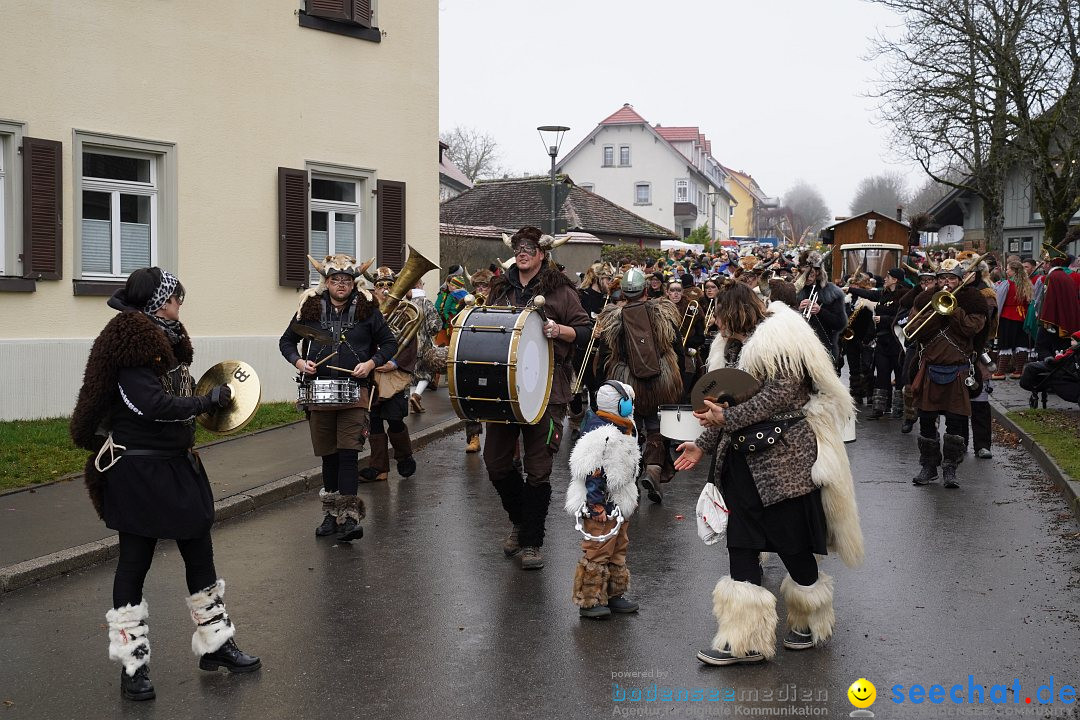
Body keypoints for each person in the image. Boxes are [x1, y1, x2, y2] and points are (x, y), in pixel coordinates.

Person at [71, 267, 260, 702]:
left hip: (176, 466)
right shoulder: (129, 342)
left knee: (200, 552)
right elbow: (150, 404)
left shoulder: (165, 338)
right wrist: (205, 402)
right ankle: (132, 665)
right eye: (176, 298)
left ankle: (216, 645)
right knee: (134, 563)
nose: (180, 305)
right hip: (137, 472)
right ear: (158, 302)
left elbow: (174, 391)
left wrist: (207, 404)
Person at [673, 282, 863, 666]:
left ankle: (811, 619)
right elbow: (723, 404)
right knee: (741, 545)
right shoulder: (728, 349)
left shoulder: (782, 337)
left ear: (735, 310)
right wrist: (703, 443)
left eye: (719, 311)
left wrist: (727, 416)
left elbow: (780, 394)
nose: (715, 319)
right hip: (741, 463)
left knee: (791, 544)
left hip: (785, 461)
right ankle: (745, 641)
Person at [484, 226, 591, 570]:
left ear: (542, 253)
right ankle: (521, 520)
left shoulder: (559, 289)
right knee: (496, 463)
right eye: (518, 247)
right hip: (505, 390)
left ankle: (531, 541)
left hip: (548, 389)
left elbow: (587, 331)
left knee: (538, 468)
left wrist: (559, 330)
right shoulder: (500, 287)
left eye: (530, 247)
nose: (523, 252)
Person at [279, 254, 397, 540]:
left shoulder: (367, 309)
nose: (341, 285)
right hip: (318, 391)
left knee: (348, 453)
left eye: (346, 280)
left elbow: (389, 342)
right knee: (329, 456)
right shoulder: (310, 306)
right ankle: (330, 516)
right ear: (327, 282)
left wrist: (370, 363)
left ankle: (350, 519)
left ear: (353, 283)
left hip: (354, 392)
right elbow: (286, 341)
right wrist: (299, 362)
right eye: (335, 280)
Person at [597, 267, 684, 504]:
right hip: (662, 381)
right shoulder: (664, 312)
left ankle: (629, 478)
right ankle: (654, 470)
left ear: (623, 293)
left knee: (629, 427)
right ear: (646, 290)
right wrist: (681, 381)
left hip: (626, 382)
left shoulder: (613, 317)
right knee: (656, 427)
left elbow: (604, 356)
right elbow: (678, 349)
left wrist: (600, 386)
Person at [908, 259, 989, 489]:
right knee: (925, 422)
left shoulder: (973, 300)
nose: (946, 282)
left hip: (958, 370)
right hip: (930, 368)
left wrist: (952, 310)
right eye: (942, 278)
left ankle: (950, 468)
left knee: (956, 423)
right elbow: (913, 331)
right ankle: (929, 466)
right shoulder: (925, 300)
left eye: (951, 278)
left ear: (960, 279)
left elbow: (972, 329)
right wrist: (935, 310)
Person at [565, 381, 641, 619]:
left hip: (618, 503)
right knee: (598, 549)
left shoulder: (624, 427)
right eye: (628, 401)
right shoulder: (603, 434)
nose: (632, 406)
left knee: (619, 546)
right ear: (619, 404)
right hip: (602, 504)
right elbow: (592, 472)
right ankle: (589, 600)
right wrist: (596, 504)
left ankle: (613, 594)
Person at [361, 267, 417, 482]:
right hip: (372, 372)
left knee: (394, 419)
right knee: (374, 421)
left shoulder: (405, 311)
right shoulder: (366, 312)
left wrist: (394, 363)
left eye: (389, 285)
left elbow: (411, 341)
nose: (385, 290)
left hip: (395, 374)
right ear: (373, 289)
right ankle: (379, 468)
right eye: (380, 286)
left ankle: (404, 457)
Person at [847, 268, 907, 418]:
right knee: (882, 374)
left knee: (899, 375)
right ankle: (880, 408)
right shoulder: (883, 293)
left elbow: (904, 316)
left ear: (895, 280)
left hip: (896, 341)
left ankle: (898, 409)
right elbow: (869, 294)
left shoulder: (904, 295)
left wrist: (884, 319)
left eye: (888, 276)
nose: (885, 279)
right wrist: (850, 289)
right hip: (882, 340)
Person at [794, 251, 847, 369]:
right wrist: (798, 310)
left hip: (824, 347)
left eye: (810, 273)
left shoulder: (833, 292)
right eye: (803, 273)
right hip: (798, 348)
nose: (806, 277)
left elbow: (840, 324)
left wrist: (820, 311)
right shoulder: (793, 291)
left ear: (817, 272)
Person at [463, 268, 493, 453]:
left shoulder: (500, 300)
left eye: (485, 285)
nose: (481, 289)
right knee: (470, 397)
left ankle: (495, 438)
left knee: (494, 397)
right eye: (478, 285)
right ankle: (473, 437)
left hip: (494, 354)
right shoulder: (466, 300)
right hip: (472, 353)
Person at [992, 260, 1034, 380]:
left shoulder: (1007, 284)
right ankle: (1019, 371)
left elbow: (999, 300)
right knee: (1021, 343)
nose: (1006, 271)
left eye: (1008, 269)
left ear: (1014, 271)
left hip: (1008, 317)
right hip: (1022, 317)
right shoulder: (1027, 284)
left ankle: (1000, 372)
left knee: (1006, 344)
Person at [407, 275, 443, 413]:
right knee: (427, 373)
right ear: (420, 286)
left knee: (413, 375)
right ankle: (416, 396)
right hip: (424, 344)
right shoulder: (426, 302)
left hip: (408, 345)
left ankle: (413, 403)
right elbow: (435, 325)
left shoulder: (406, 303)